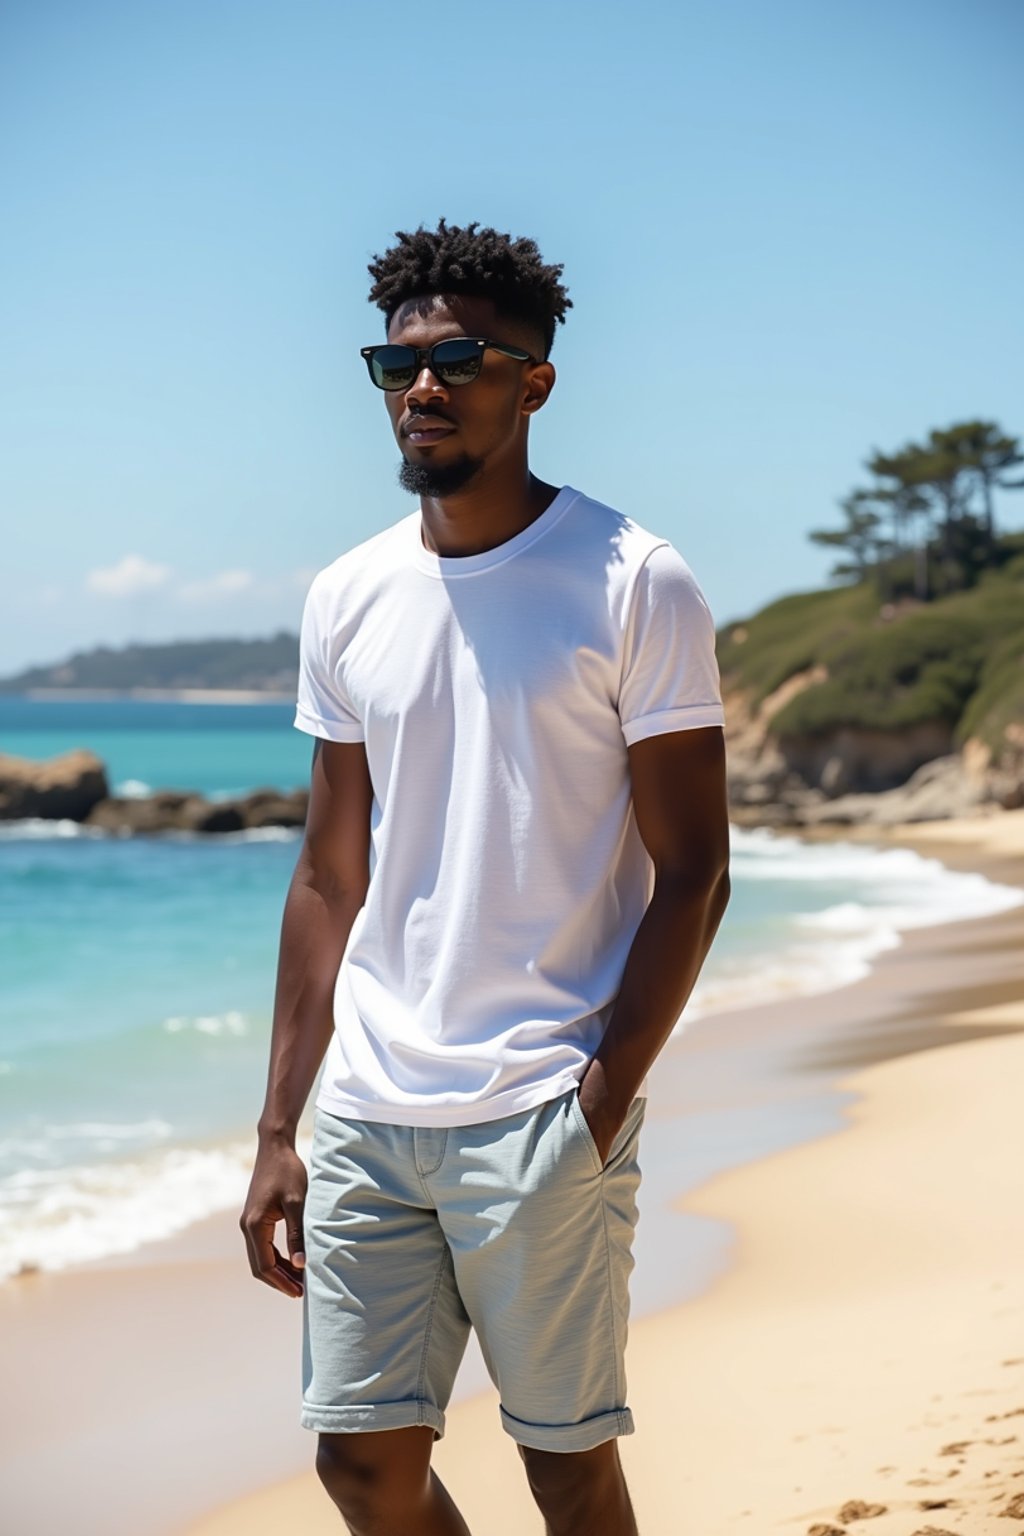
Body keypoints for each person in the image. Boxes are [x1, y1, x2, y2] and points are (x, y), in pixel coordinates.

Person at [240, 218, 731, 1536]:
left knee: (565, 1466)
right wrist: (283, 1125)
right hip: (369, 1105)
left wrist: (604, 1093)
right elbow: (329, 874)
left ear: (535, 382)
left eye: (462, 358)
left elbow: (694, 869)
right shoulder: (348, 594)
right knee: (360, 1463)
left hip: (541, 1098)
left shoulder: (635, 581)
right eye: (399, 362)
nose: (425, 386)